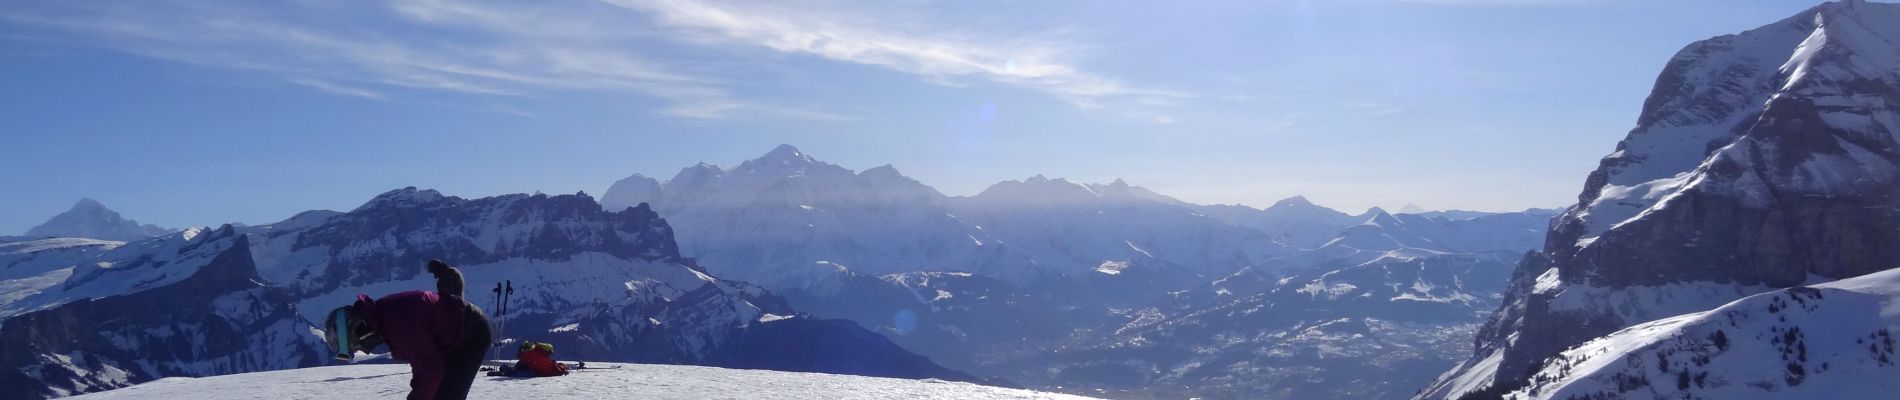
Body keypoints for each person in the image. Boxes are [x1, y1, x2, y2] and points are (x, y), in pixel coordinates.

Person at [324, 260, 493, 400]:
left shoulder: (397, 324)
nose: (362, 350)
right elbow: (421, 357)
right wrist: (417, 388)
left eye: (356, 346)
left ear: (359, 331)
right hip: (460, 328)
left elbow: (432, 370)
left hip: (471, 336)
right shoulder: (384, 317)